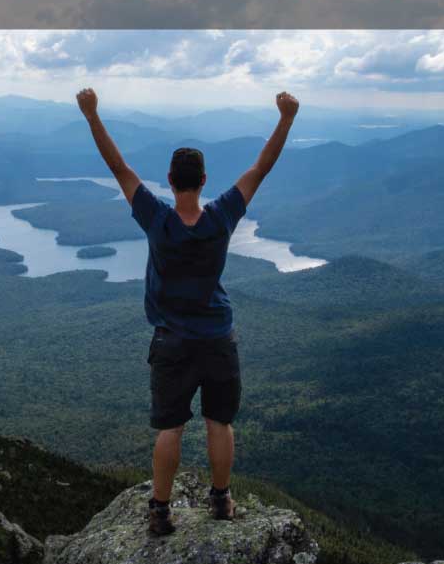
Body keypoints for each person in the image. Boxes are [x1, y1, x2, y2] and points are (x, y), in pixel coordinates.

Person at [76, 88, 300, 535]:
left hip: (172, 341)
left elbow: (118, 167)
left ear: (170, 180)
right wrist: (286, 118)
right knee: (221, 421)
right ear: (203, 181)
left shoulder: (157, 220)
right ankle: (221, 501)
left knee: (170, 428)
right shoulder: (221, 218)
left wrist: (91, 114)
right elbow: (261, 168)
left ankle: (160, 510)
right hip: (218, 338)